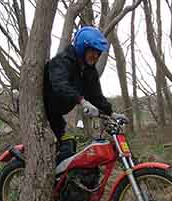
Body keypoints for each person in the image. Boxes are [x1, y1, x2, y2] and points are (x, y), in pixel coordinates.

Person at [43, 26, 127, 163]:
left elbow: (96, 96)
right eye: (92, 51)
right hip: (43, 112)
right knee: (60, 150)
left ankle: (66, 182)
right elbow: (60, 85)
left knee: (69, 145)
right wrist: (82, 101)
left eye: (98, 52)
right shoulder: (62, 62)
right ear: (82, 48)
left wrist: (111, 113)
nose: (95, 56)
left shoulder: (89, 71)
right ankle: (50, 179)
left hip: (57, 115)